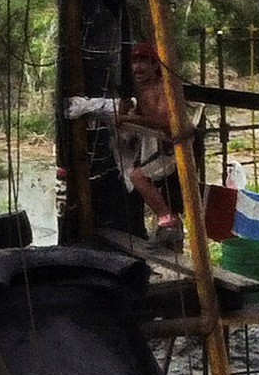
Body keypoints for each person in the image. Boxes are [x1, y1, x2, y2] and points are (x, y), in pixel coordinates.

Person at [63, 43, 182, 246]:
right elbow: (134, 119)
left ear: (155, 66)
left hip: (174, 147)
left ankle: (167, 222)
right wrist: (126, 115)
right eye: (134, 63)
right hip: (154, 145)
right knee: (136, 174)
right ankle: (167, 227)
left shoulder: (164, 89)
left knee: (137, 176)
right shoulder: (139, 91)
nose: (137, 68)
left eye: (143, 62)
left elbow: (165, 123)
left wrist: (130, 120)